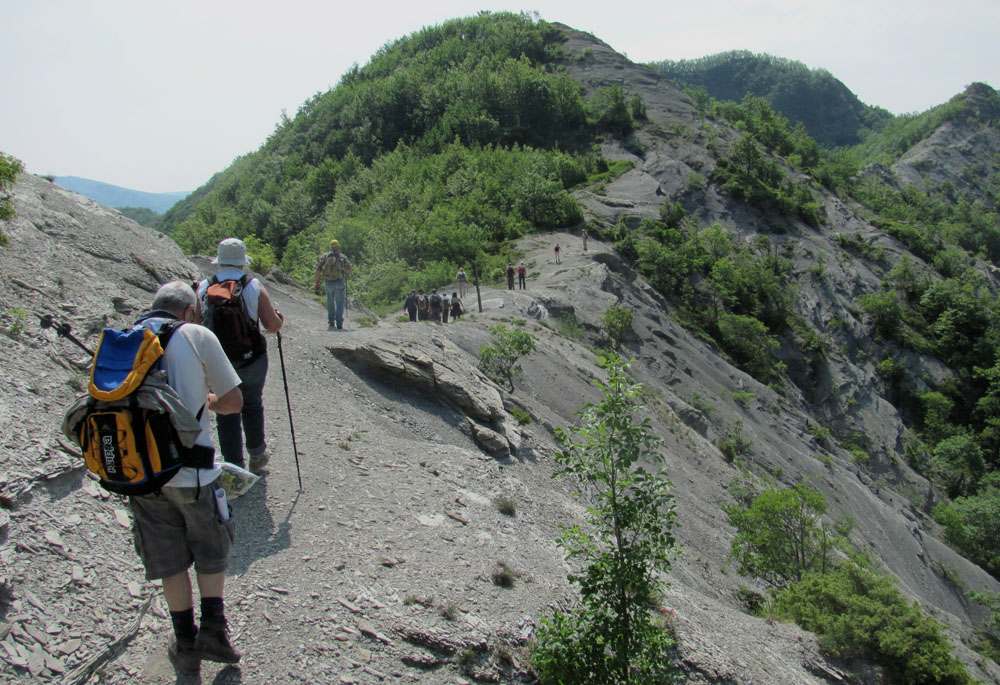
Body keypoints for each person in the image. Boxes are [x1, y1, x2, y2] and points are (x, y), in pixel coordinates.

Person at [130, 281, 244, 674]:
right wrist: (206, 401)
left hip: (142, 476)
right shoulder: (197, 335)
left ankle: (184, 643)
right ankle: (214, 630)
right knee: (210, 547)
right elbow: (233, 401)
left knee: (170, 560)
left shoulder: (126, 338)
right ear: (190, 311)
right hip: (195, 472)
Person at [197, 238, 284, 475]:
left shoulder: (204, 287)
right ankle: (257, 455)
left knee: (226, 410)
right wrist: (279, 318)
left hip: (217, 361)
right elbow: (272, 326)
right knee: (252, 403)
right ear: (242, 261)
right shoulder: (253, 286)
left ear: (219, 260)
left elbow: (193, 325)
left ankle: (234, 466)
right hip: (251, 358)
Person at [313, 239, 353, 330]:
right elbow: (350, 271)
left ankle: (331, 321)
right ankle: (339, 323)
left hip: (328, 281)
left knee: (330, 301)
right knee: (340, 302)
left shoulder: (324, 257)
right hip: (339, 281)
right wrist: (344, 270)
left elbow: (318, 270)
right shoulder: (342, 257)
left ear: (330, 247)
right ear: (338, 246)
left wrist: (316, 282)